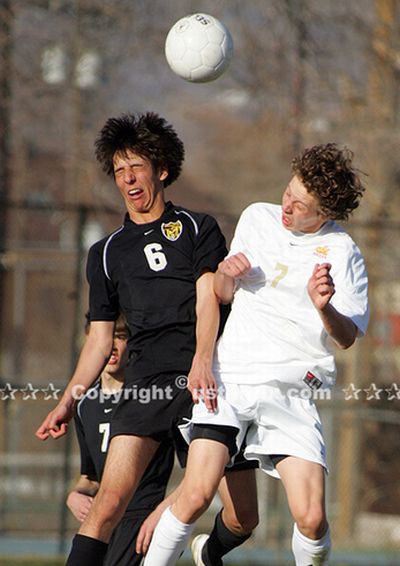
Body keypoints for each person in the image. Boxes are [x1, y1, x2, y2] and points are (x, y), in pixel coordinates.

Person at [144, 143, 369, 566]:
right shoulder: (256, 217)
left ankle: (211, 552)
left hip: (290, 392)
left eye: (300, 205)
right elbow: (222, 293)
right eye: (288, 192)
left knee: (312, 518)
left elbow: (346, 338)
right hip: (231, 379)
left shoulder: (343, 252)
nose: (287, 206)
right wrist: (226, 275)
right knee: (195, 494)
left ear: (325, 214)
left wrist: (324, 307)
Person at [35, 112, 230, 566]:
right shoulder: (105, 253)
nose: (127, 178)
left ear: (162, 169)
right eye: (119, 170)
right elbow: (99, 339)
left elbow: (208, 301)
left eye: (136, 167)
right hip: (146, 385)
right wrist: (67, 402)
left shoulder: (198, 227)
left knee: (240, 515)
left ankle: (212, 548)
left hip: (204, 381)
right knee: (108, 502)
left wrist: (202, 360)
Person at [67, 314, 175, 566]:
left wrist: (164, 514)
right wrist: (74, 496)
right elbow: (90, 478)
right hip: (102, 520)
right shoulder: (84, 404)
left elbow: (196, 476)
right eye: (105, 337)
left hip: (141, 520)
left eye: (120, 337)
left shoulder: (153, 399)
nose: (112, 346)